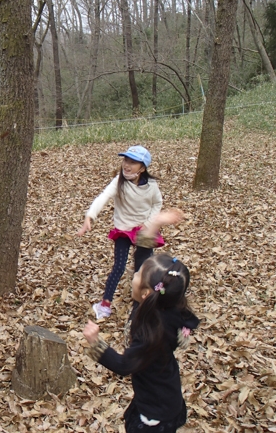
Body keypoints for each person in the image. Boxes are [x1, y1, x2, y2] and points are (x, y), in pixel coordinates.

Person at [82, 254, 200, 432]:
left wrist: (96, 344)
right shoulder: (164, 305)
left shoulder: (151, 333)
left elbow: (124, 365)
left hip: (155, 410)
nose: (134, 274)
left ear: (145, 293)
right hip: (165, 392)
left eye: (137, 274)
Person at [77, 145, 162, 319]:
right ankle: (105, 304)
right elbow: (103, 197)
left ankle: (141, 306)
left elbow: (157, 204)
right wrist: (90, 216)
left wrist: (149, 223)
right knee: (119, 266)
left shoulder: (151, 186)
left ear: (143, 168)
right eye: (125, 160)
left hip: (144, 230)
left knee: (143, 269)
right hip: (123, 230)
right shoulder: (119, 181)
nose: (127, 165)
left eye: (133, 162)